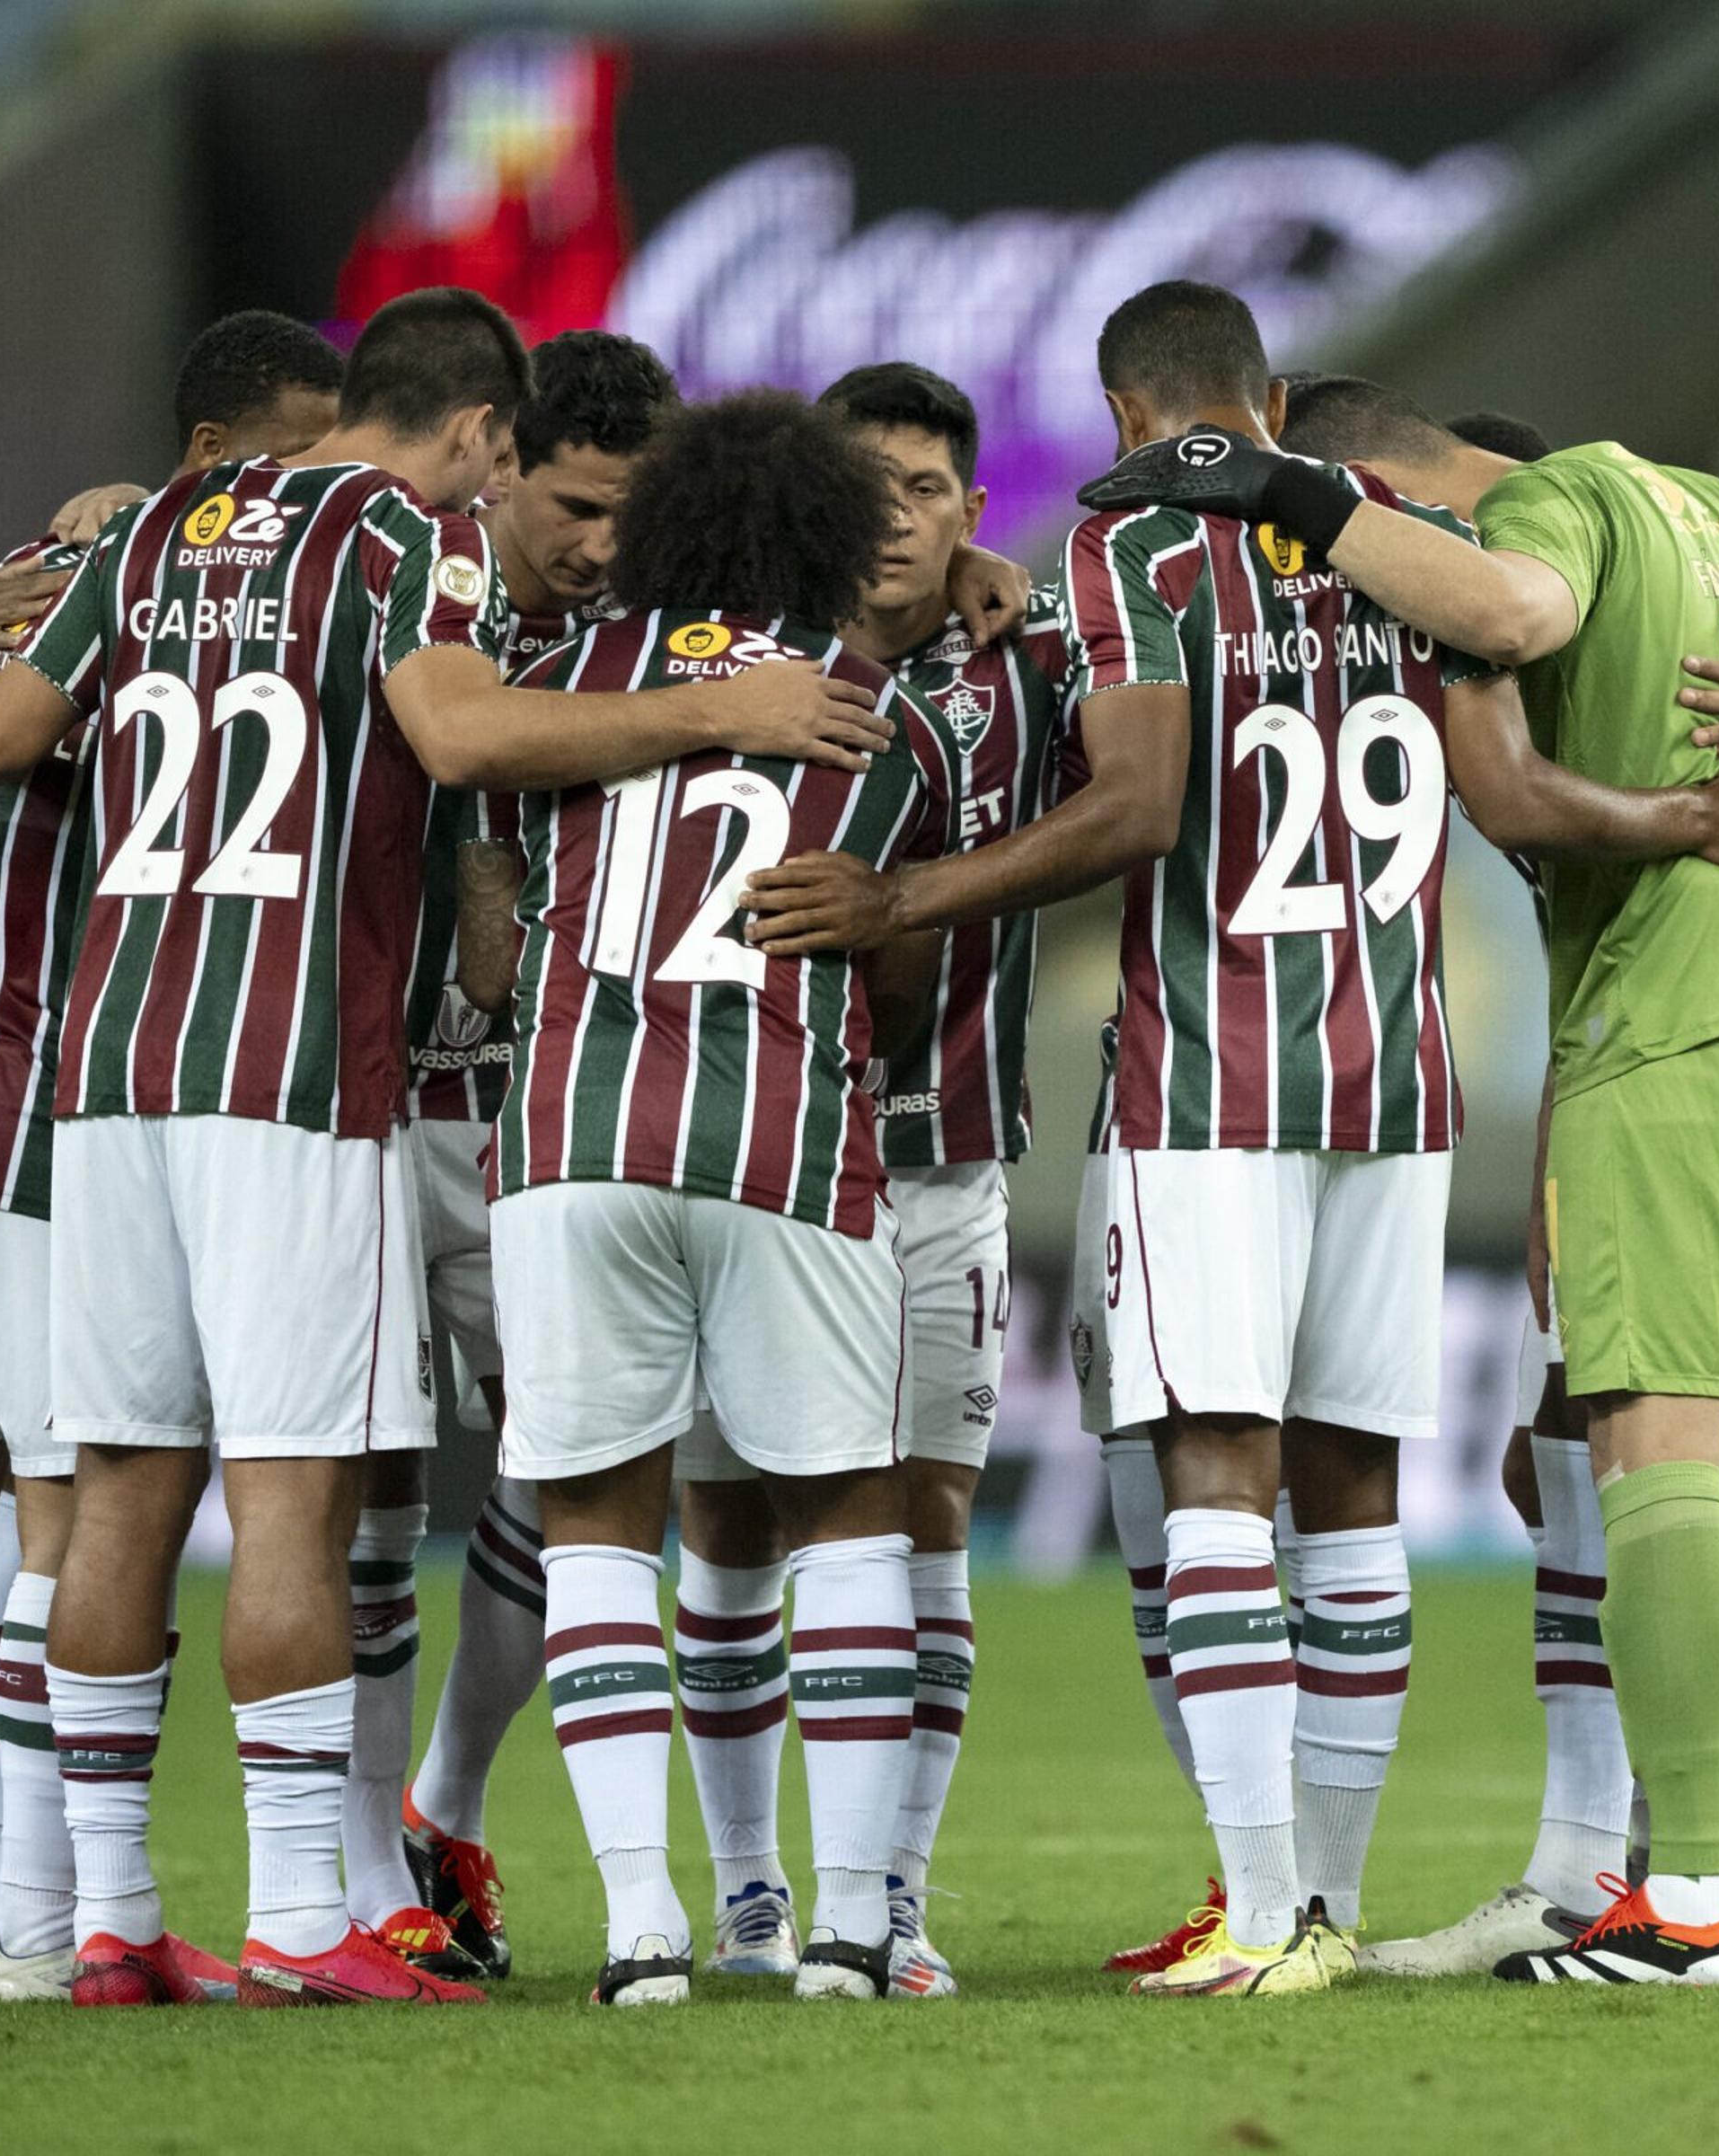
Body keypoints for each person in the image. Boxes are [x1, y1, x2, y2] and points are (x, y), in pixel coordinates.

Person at [745, 280, 1719, 1997]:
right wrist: (1691, 814)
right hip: (1397, 1081)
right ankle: (1314, 1906)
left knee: (1214, 1482)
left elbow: (1138, 803)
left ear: (1125, 417)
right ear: (1270, 398)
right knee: (1352, 1498)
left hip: (1213, 1075)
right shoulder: (1401, 539)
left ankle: (1263, 1917)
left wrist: (902, 895)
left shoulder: (1134, 557)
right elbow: (1514, 793)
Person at [0, 287, 888, 2010]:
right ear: (478, 438)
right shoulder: (403, 539)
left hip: (110, 1070)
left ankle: (97, 1924)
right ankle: (303, 1920)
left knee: (123, 1489)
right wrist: (713, 717)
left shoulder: (150, 534)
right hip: (291, 1075)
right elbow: (461, 734)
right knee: (293, 1494)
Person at [1084, 370, 1719, 1986]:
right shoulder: (1718, 505)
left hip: (1682, 1027)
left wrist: (1272, 490)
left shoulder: (1533, 514)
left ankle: (1683, 1907)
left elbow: (1506, 606)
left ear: (1388, 485)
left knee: (1656, 1463)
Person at [0, 310, 341, 2005]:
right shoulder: (143, 604)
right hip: (42, 1104)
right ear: (213, 461)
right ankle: (40, 1931)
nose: (308, 488)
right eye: (286, 451)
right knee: (65, 1517)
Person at [478, 390, 963, 2007]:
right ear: (828, 535)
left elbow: (491, 931)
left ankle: (638, 1931)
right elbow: (895, 983)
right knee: (842, 1520)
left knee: (599, 1526)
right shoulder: (879, 718)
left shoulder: (553, 684)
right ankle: (844, 1928)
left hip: (569, 1135)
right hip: (781, 1144)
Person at [648, 361, 1080, 2000]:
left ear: (971, 511)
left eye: (928, 492)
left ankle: (889, 1892)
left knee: (922, 1524)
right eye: (868, 488)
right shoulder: (736, 672)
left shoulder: (1027, 674)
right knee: (732, 1518)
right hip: (755, 1161)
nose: (897, 519)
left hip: (939, 1162)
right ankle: (754, 1889)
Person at [363, 326, 682, 1986]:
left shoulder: (645, 623)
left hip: (525, 1117)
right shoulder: (403, 584)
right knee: (345, 1487)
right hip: (347, 1108)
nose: (598, 545)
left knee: (579, 1470)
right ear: (500, 466)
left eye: (630, 515)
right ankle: (352, 1878)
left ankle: (439, 1803)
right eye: (569, 506)